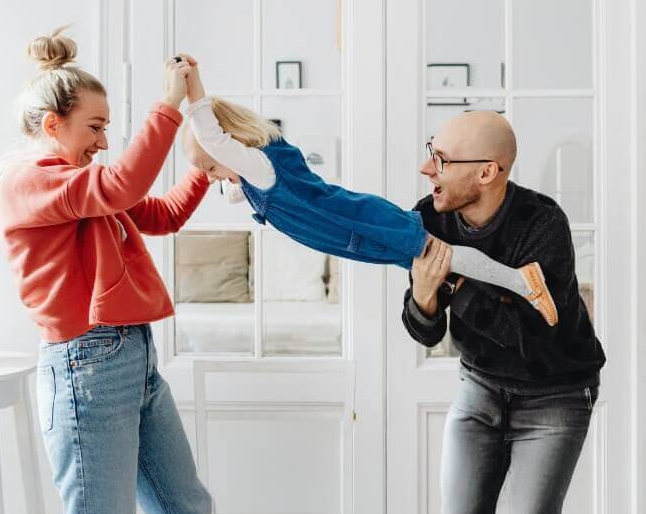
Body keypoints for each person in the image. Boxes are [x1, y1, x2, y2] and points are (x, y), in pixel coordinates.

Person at [0, 29, 231, 514]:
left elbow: (161, 214)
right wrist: (167, 105)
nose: (102, 141)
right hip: (86, 369)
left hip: (132, 358)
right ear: (52, 124)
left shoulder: (82, 185)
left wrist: (202, 168)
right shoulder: (23, 182)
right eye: (94, 127)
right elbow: (121, 185)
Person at [177, 54, 557, 326]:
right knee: (438, 269)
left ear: (229, 142)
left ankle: (522, 281)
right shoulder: (247, 180)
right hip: (350, 238)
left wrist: (193, 90)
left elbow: (213, 139)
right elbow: (225, 181)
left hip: (359, 221)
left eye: (210, 167)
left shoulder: (259, 167)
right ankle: (505, 289)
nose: (210, 177)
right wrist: (204, 167)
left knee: (442, 257)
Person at [401, 110, 606, 514]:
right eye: (432, 151)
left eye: (441, 159)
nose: (427, 168)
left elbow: (533, 339)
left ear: (487, 172)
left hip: (556, 394)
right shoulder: (431, 216)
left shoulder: (542, 223)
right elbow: (426, 332)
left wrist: (456, 283)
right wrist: (426, 297)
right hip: (480, 387)